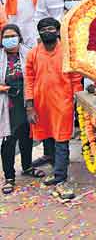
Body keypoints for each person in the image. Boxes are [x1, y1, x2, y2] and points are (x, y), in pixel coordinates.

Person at [25, 17, 81, 197]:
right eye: (43, 29)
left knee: (61, 141)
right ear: (39, 33)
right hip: (41, 105)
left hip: (63, 104)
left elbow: (75, 79)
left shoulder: (67, 52)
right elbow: (29, 80)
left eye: (50, 28)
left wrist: (76, 100)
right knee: (47, 138)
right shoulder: (33, 54)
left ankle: (60, 176)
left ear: (57, 31)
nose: (46, 32)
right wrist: (30, 106)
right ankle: (56, 171)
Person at [0, 22, 34, 195]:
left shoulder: (29, 54)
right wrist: (4, 88)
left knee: (27, 136)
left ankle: (27, 167)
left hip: (27, 103)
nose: (10, 39)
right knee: (8, 141)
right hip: (7, 105)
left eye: (12, 36)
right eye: (6, 37)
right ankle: (9, 177)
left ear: (19, 37)